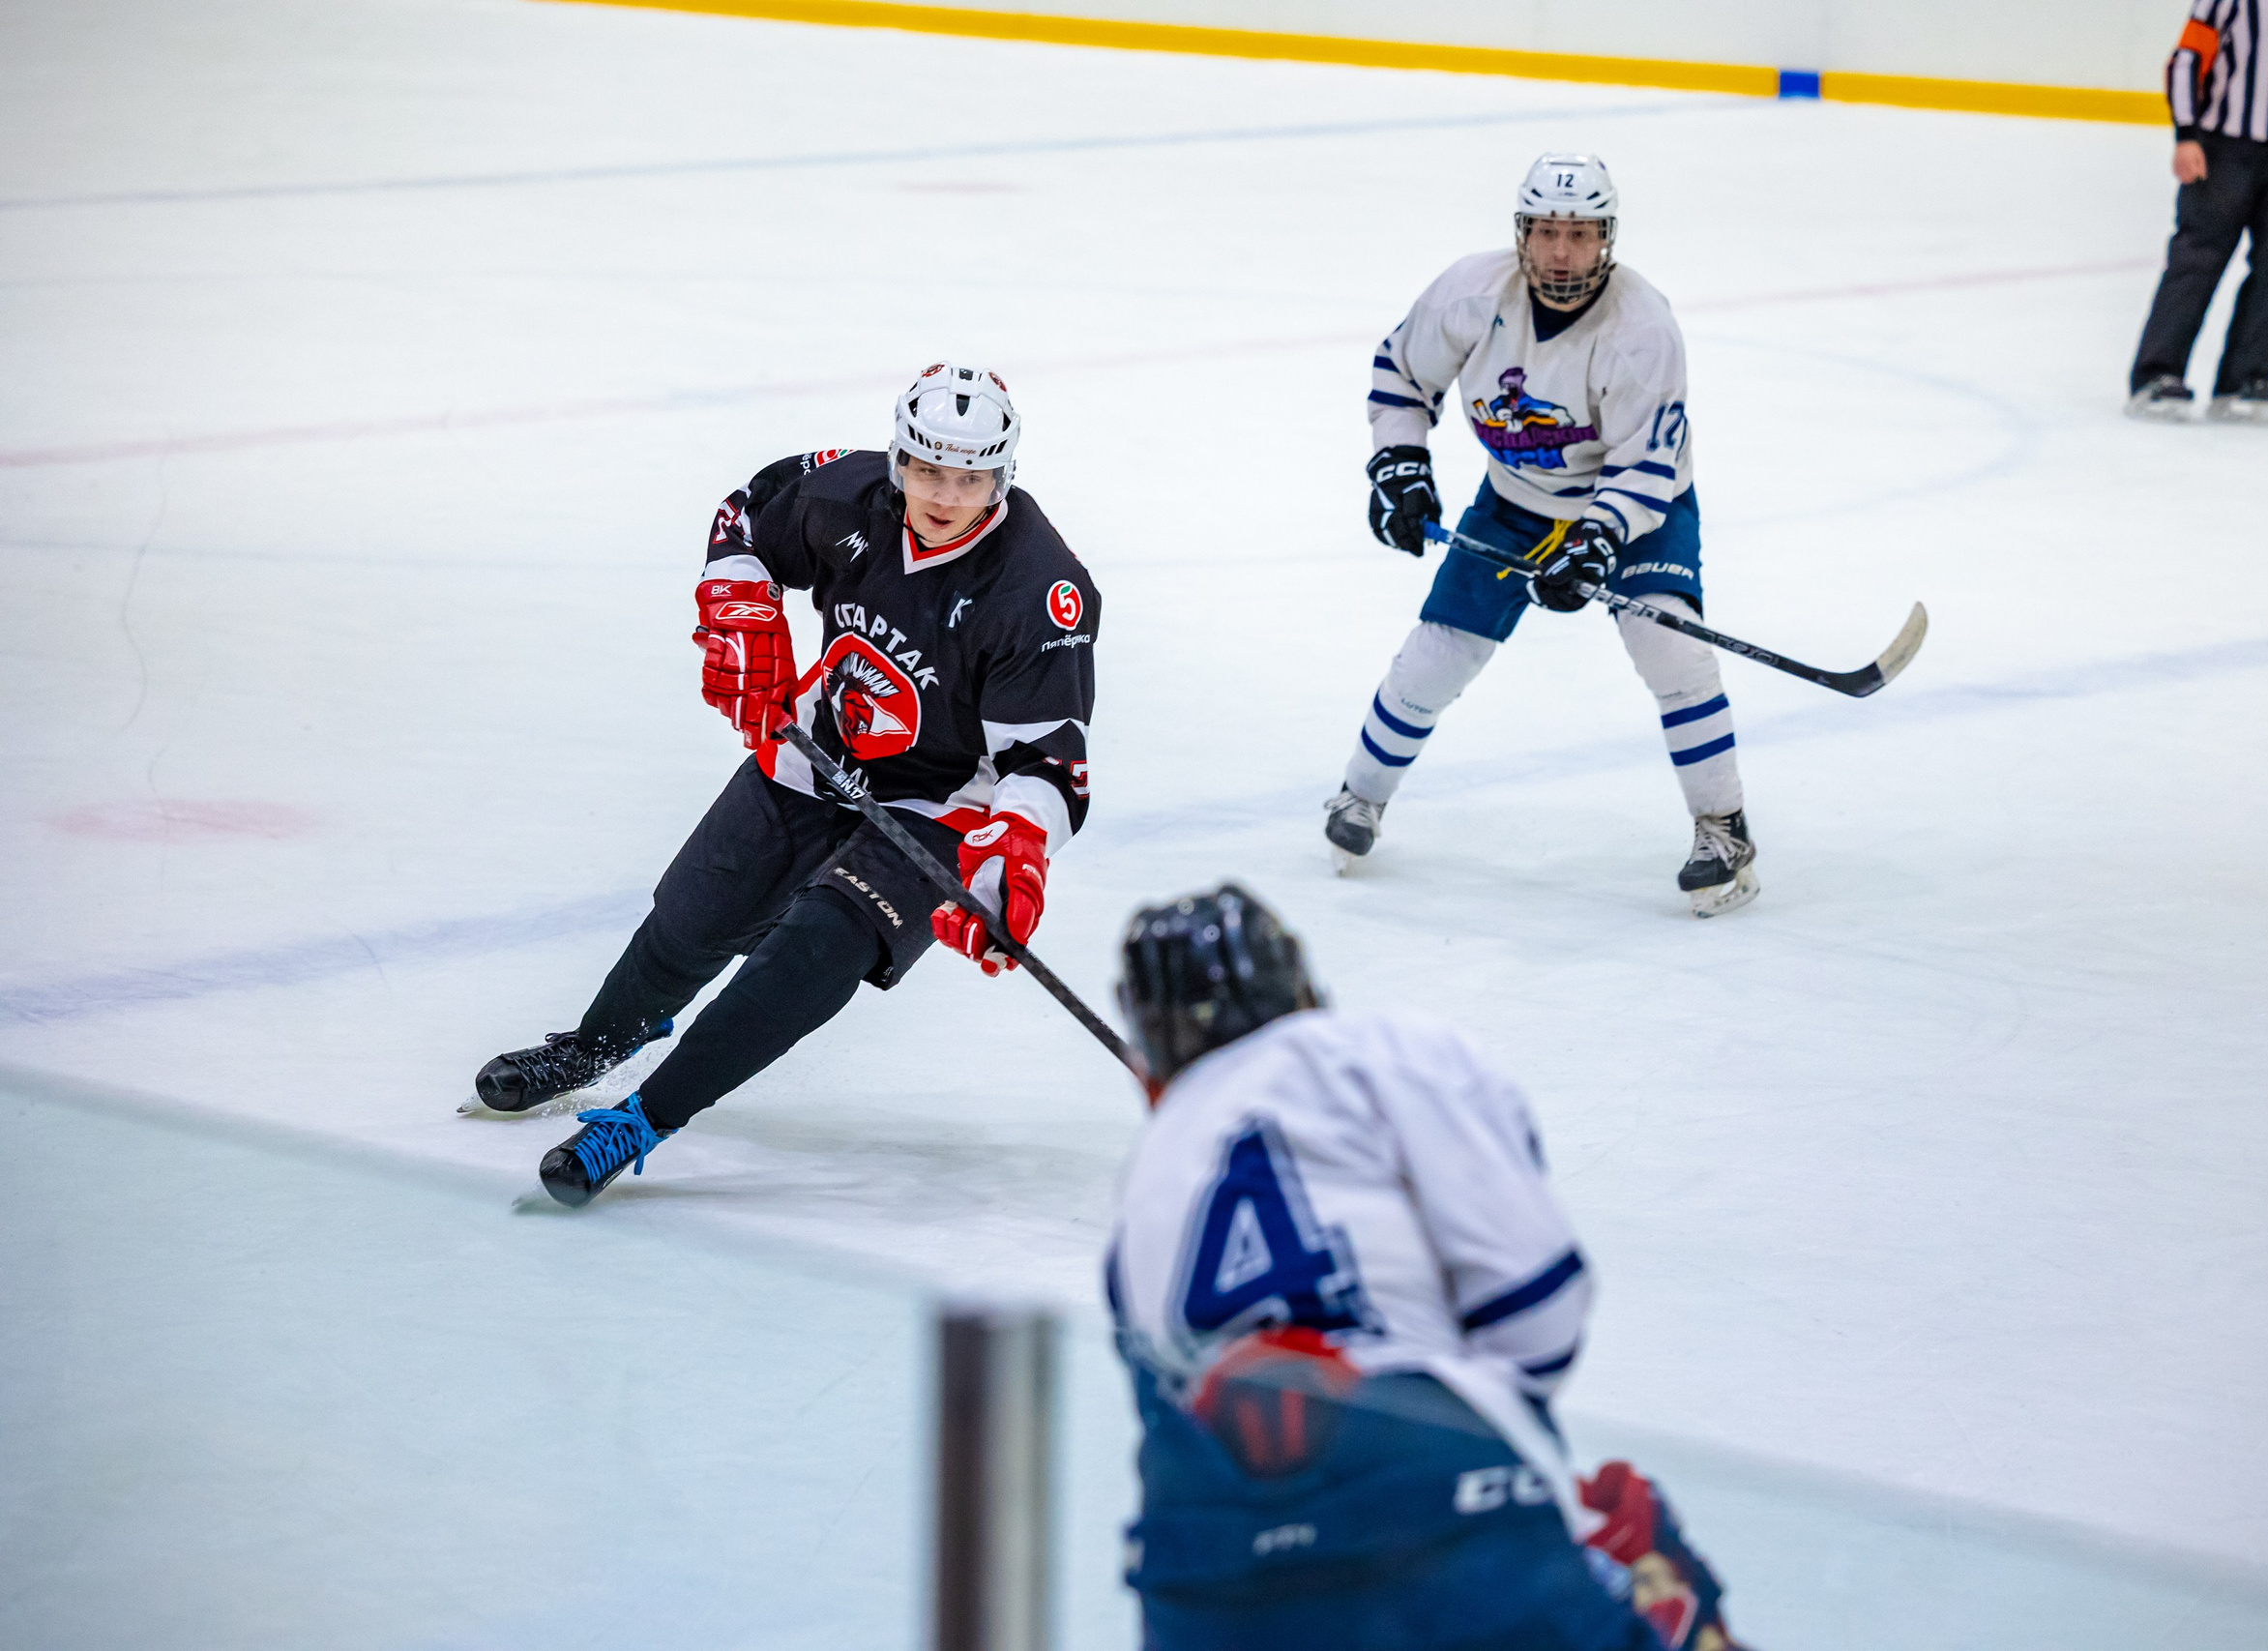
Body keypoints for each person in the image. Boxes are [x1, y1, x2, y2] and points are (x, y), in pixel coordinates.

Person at [466, 364, 1100, 1207]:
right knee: (694, 913)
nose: (947, 495)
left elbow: (1048, 761)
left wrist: (1014, 849)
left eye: (971, 478)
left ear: (1003, 476)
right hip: (819, 744)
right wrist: (741, 607)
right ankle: (595, 1044)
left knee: (811, 954)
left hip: (942, 806)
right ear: (899, 459)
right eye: (928, 470)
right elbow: (746, 514)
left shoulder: (1038, 590)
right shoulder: (846, 498)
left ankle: (646, 1115)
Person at [1106, 884, 1747, 1650]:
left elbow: (1176, 1429)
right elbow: (1539, 1322)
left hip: (1203, 1580)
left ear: (1147, 1062)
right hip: (1433, 1504)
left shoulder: (1140, 1186)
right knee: (1642, 1541)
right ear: (1305, 987)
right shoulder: (1384, 1053)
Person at [1328, 153, 1756, 918]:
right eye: (1548, 232)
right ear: (1522, 232)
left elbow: (1644, 466)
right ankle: (1359, 796)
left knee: (1672, 649)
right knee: (1438, 654)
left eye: (1581, 234)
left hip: (1637, 508)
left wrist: (1596, 541)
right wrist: (1400, 463)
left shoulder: (1642, 329)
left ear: (1607, 238)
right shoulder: (1469, 294)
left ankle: (1724, 829)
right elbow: (1401, 373)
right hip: (1517, 499)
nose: (1562, 252)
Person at [2128, 0, 2268, 423]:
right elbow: (2186, 61)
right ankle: (2156, 373)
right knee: (2197, 260)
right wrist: (2186, 135)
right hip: (2223, 151)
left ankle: (2246, 378)